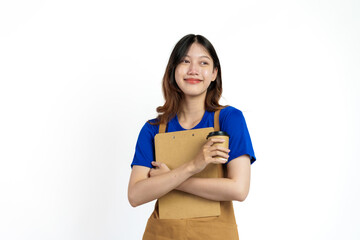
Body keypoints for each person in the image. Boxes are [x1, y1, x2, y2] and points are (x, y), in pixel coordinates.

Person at [128, 34, 256, 240]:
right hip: (161, 234)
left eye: (203, 63)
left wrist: (171, 178)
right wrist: (192, 166)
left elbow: (239, 189)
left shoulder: (229, 118)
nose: (193, 70)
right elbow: (135, 195)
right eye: (185, 61)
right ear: (173, 71)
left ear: (214, 73)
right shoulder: (153, 129)